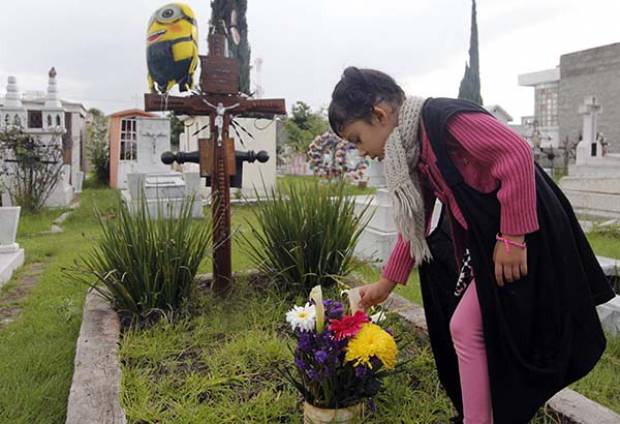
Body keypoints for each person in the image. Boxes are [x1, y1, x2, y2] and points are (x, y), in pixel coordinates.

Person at [328, 67, 614, 424]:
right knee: (472, 328)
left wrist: (512, 237)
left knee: (477, 328)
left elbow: (515, 153)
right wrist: (385, 284)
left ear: (380, 115)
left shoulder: (444, 120)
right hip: (492, 242)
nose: (362, 152)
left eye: (357, 139)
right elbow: (414, 222)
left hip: (526, 232)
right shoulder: (414, 149)